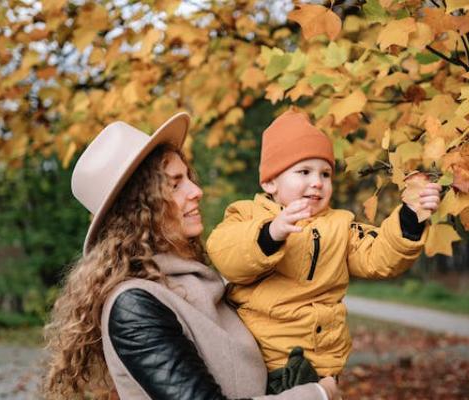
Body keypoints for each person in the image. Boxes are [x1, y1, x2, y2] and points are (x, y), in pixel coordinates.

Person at [42, 113, 340, 399]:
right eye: (174, 184)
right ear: (139, 209)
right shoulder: (134, 306)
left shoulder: (201, 280)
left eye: (188, 178)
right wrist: (317, 394)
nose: (196, 191)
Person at [206, 110, 441, 391]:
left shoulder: (340, 225)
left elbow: (378, 257)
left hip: (324, 363)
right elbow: (225, 254)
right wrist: (272, 232)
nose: (317, 182)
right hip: (269, 363)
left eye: (325, 174)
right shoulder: (248, 215)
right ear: (270, 182)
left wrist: (410, 218)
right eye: (304, 172)